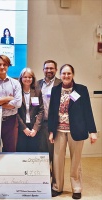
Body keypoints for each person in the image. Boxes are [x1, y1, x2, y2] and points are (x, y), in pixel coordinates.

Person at [48, 64, 98, 199]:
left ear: (73, 74)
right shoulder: (55, 90)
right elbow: (52, 112)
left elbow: (88, 110)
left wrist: (92, 131)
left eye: (69, 73)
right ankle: (57, 187)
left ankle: (76, 188)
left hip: (76, 130)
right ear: (60, 74)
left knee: (76, 161)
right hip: (59, 130)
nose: (66, 76)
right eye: (63, 73)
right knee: (57, 160)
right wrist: (51, 131)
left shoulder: (81, 89)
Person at [37, 60, 62, 181]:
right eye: (46, 68)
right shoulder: (37, 84)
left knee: (55, 156)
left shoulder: (61, 83)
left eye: (52, 68)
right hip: (41, 125)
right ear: (43, 70)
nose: (49, 71)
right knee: (43, 154)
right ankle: (45, 180)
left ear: (56, 70)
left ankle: (56, 183)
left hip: (56, 125)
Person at [16, 68, 44, 152]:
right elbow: (15, 111)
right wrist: (23, 128)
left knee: (33, 152)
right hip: (21, 128)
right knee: (21, 152)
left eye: (30, 77)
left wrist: (35, 128)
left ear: (33, 78)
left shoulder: (37, 92)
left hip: (34, 128)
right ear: (21, 78)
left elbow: (41, 110)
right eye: (25, 77)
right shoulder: (17, 92)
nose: (27, 79)